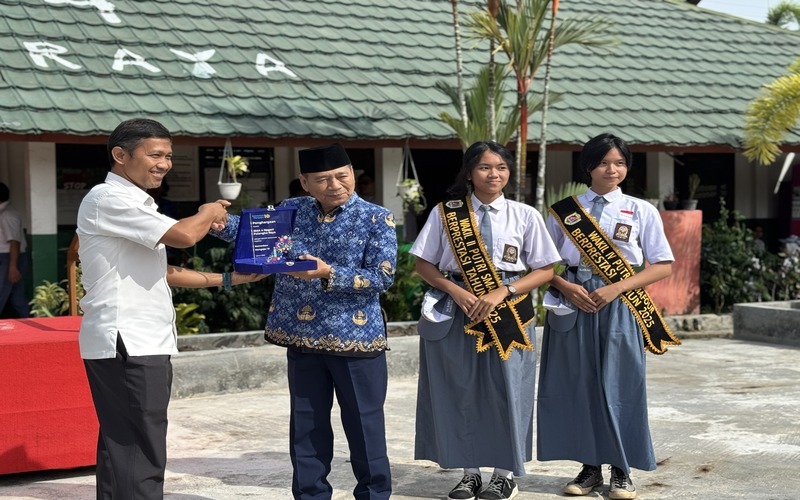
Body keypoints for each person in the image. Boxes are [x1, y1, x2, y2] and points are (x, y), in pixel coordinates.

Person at [77, 118, 265, 500]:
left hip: (139, 338)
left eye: (168, 156)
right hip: (127, 338)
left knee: (125, 443)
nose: (164, 163)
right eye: (155, 154)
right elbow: (184, 236)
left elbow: (162, 271)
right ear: (120, 155)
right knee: (140, 443)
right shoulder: (107, 198)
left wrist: (231, 280)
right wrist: (211, 211)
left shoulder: (134, 204)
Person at [212, 143, 397, 500]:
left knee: (364, 425)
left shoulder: (377, 217)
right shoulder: (290, 210)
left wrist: (329, 272)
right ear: (305, 182)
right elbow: (254, 235)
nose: (335, 185)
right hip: (302, 335)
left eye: (342, 176)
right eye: (323, 179)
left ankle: (375, 495)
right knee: (306, 426)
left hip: (356, 339)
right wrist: (216, 222)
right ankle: (311, 496)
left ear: (352, 174)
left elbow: (381, 277)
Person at [409, 141, 560, 500]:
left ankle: (504, 475)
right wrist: (456, 291)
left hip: (508, 311)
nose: (494, 175)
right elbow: (423, 264)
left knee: (508, 390)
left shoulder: (524, 215)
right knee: (460, 390)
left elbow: (546, 269)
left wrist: (503, 291)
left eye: (501, 168)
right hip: (457, 308)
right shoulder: (446, 213)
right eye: (485, 168)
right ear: (469, 173)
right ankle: (470, 473)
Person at [537, 133, 676, 500]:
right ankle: (588, 468)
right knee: (576, 385)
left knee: (621, 384)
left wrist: (617, 287)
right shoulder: (563, 210)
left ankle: (621, 469)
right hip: (573, 304)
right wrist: (567, 288)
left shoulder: (640, 209)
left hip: (620, 305)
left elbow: (662, 265)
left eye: (619, 162)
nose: (611, 169)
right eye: (603, 162)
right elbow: (542, 264)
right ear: (588, 167)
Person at [0, 182, 30, 318]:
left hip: (9, 258)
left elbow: (14, 242)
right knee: (17, 297)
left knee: (3, 292)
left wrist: (12, 267)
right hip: (9, 258)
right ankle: (28, 324)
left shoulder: (7, 215)